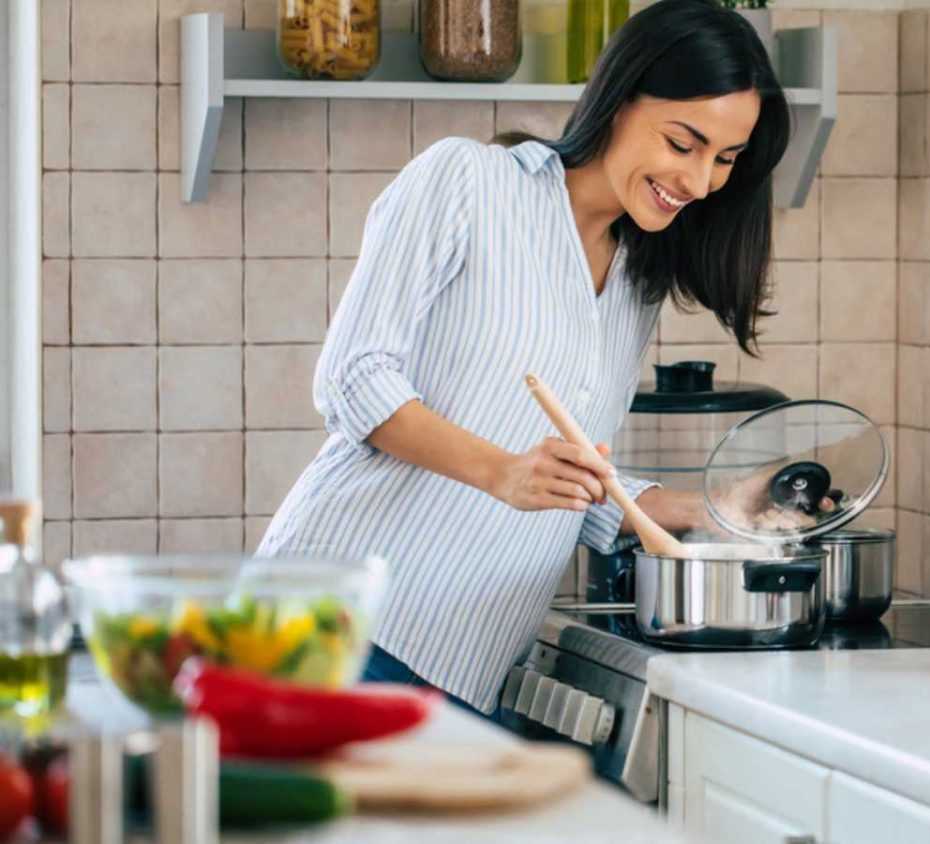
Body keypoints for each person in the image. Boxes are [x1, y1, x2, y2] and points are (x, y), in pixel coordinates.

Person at [256, 0, 790, 715]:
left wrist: (714, 510)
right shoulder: (469, 183)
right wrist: (504, 472)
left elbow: (569, 481)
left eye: (724, 159)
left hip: (466, 664)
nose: (698, 182)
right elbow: (353, 380)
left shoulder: (637, 279)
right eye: (683, 142)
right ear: (622, 97)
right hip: (331, 629)